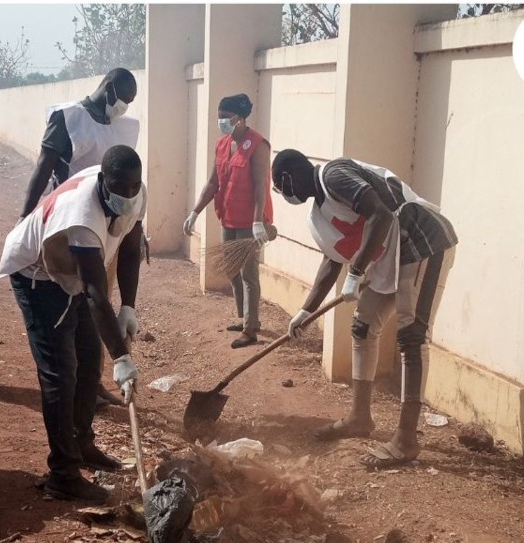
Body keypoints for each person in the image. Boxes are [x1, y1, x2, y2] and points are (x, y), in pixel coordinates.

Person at [271, 148, 458, 467]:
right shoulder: (319, 212)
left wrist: (356, 273)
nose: (285, 195)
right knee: (363, 326)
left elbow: (382, 214)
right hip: (391, 257)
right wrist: (306, 310)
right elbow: (332, 259)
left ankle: (406, 439)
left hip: (421, 241)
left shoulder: (334, 176)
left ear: (289, 178)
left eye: (281, 188)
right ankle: (360, 418)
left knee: (411, 336)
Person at [0, 145, 146, 503]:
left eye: (133, 187)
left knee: (87, 354)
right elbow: (95, 292)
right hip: (38, 274)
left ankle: (82, 444)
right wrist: (123, 359)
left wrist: (128, 306)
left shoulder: (135, 193)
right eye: (119, 187)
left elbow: (129, 246)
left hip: (74, 271)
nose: (127, 195)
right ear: (102, 180)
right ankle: (62, 473)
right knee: (60, 372)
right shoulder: (82, 216)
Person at [20, 67, 140, 409]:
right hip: (68, 226)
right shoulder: (68, 118)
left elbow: (131, 188)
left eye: (131, 102)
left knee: (97, 304)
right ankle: (74, 384)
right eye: (123, 99)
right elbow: (43, 167)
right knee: (76, 305)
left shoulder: (125, 128)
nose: (125, 107)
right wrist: (25, 217)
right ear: (108, 88)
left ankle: (93, 382)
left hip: (106, 227)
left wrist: (132, 232)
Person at [182, 94, 275, 348]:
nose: (221, 120)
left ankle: (250, 328)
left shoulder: (258, 145)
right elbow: (213, 182)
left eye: (226, 117)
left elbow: (259, 186)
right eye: (219, 116)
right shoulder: (223, 144)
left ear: (240, 118)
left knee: (248, 274)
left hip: (250, 220)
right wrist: (195, 212)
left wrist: (258, 221)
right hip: (228, 216)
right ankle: (243, 316)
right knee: (231, 270)